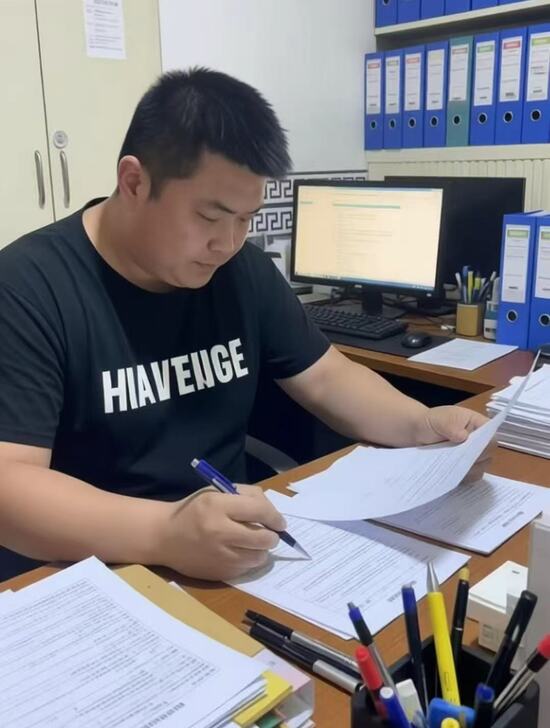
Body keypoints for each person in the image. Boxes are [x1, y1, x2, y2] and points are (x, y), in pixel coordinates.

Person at [0, 68, 488, 582]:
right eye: (210, 218)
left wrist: (421, 425)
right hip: (88, 570)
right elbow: (10, 483)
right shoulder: (27, 287)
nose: (228, 243)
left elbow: (326, 377)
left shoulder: (239, 270)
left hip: (229, 554)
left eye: (245, 218)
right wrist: (166, 533)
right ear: (135, 182)